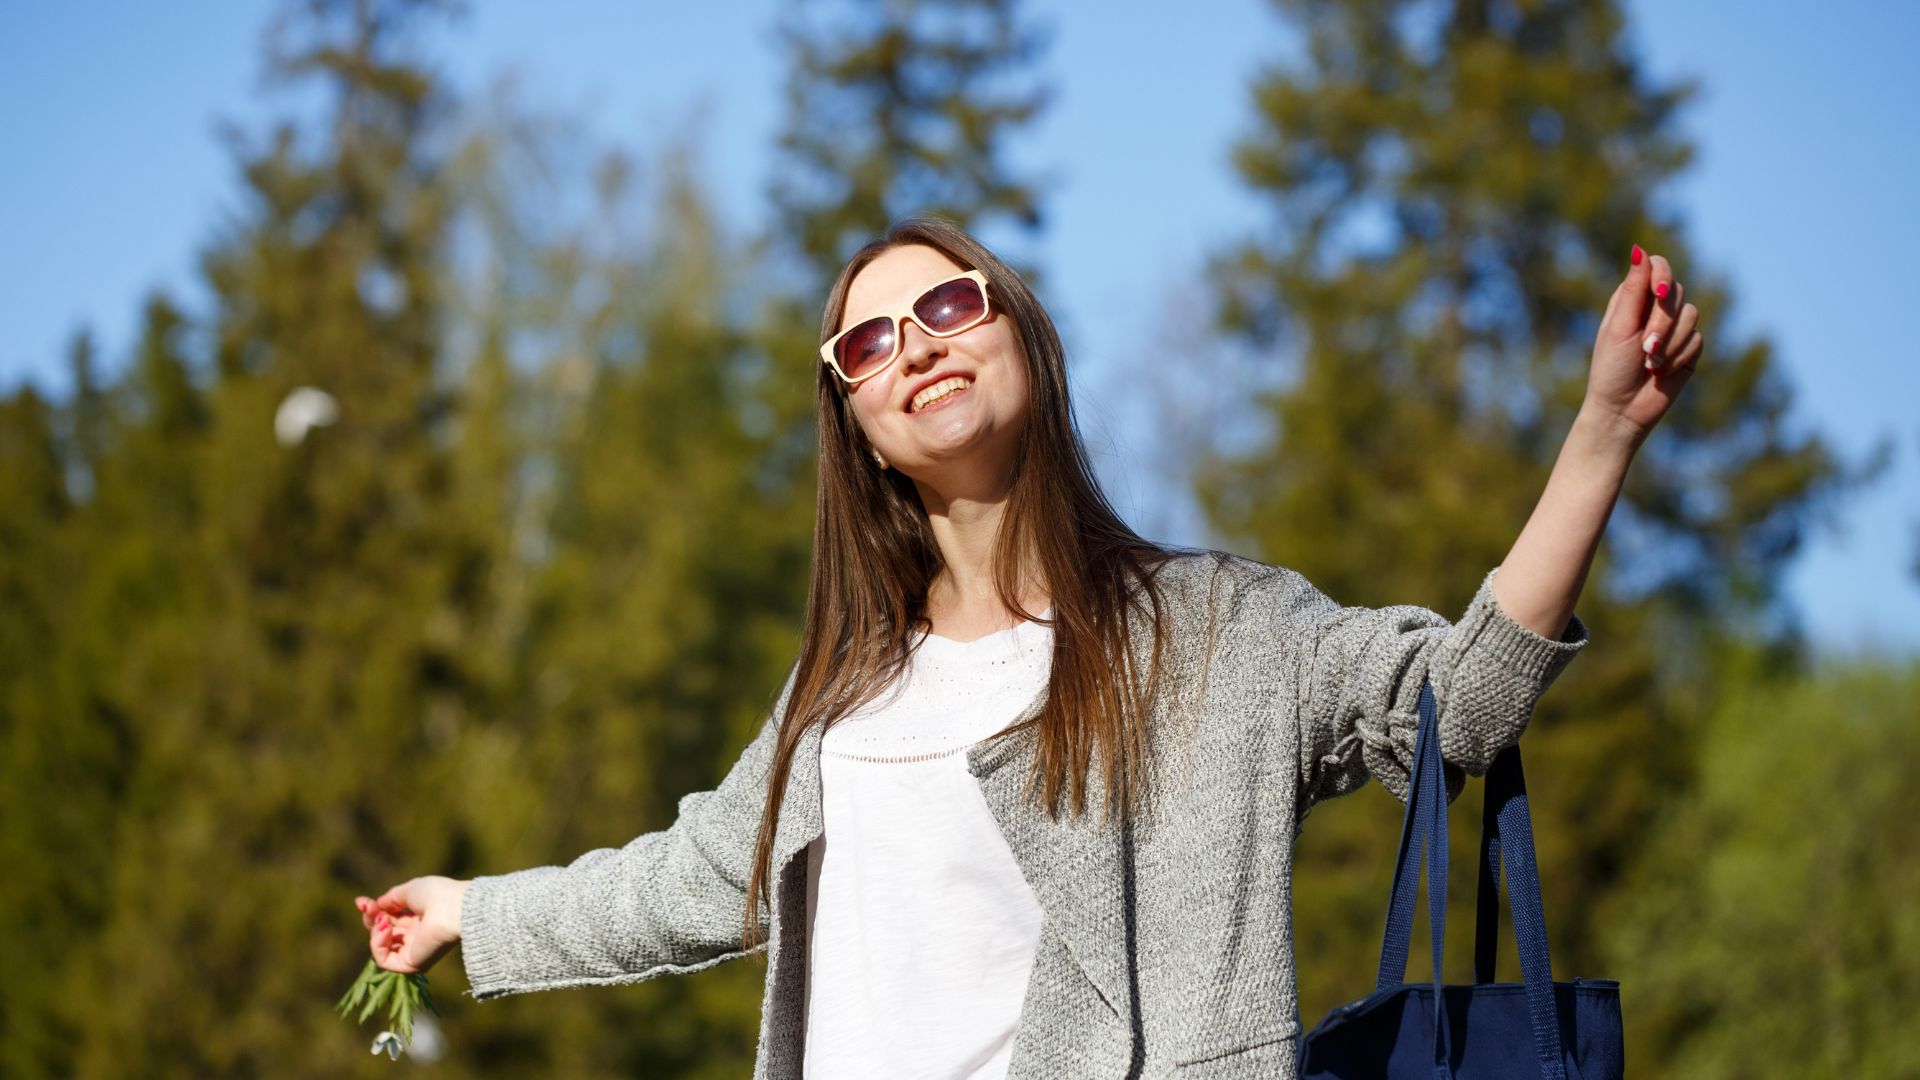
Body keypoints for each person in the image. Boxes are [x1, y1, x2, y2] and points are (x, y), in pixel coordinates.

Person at [356, 217, 1703, 1078]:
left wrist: (1602, 435)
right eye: (869, 343)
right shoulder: (839, 695)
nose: (916, 348)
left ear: (1021, 335)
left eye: (949, 305)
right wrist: (475, 912)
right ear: (859, 426)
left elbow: (1460, 707)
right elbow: (696, 883)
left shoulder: (1222, 632)